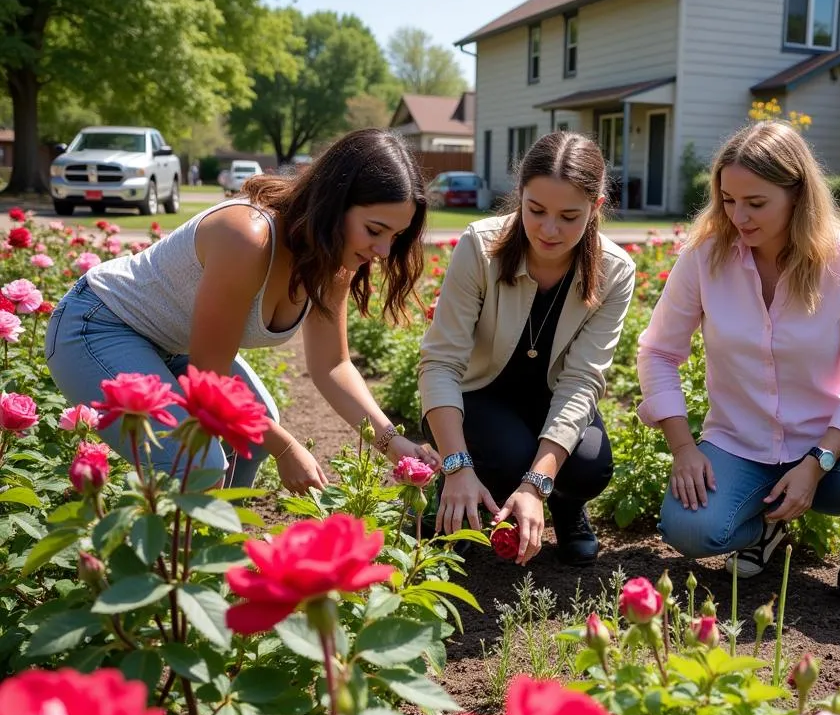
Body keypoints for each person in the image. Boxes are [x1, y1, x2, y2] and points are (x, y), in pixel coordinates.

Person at [46, 127, 439, 492]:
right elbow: (208, 376)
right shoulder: (248, 238)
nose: (384, 251)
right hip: (96, 326)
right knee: (199, 463)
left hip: (167, 346)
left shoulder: (332, 263)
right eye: (374, 230)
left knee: (254, 430)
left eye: (396, 236)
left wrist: (393, 443)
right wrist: (286, 448)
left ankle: (209, 554)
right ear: (333, 203)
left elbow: (332, 366)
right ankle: (162, 562)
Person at [637, 121, 840, 614]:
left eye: (756, 202)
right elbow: (659, 352)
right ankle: (765, 529)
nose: (738, 216)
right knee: (690, 529)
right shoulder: (706, 257)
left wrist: (817, 463)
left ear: (797, 194)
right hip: (740, 442)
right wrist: (683, 447)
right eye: (728, 200)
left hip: (831, 444)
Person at [420, 131, 635, 567]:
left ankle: (565, 504)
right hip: (477, 395)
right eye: (536, 210)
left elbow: (581, 381)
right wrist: (457, 464)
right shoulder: (481, 247)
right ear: (519, 194)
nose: (549, 230)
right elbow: (440, 363)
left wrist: (537, 483)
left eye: (569, 216)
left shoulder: (614, 270)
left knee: (590, 465)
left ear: (596, 208)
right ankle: (458, 494)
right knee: (508, 457)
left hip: (550, 398)